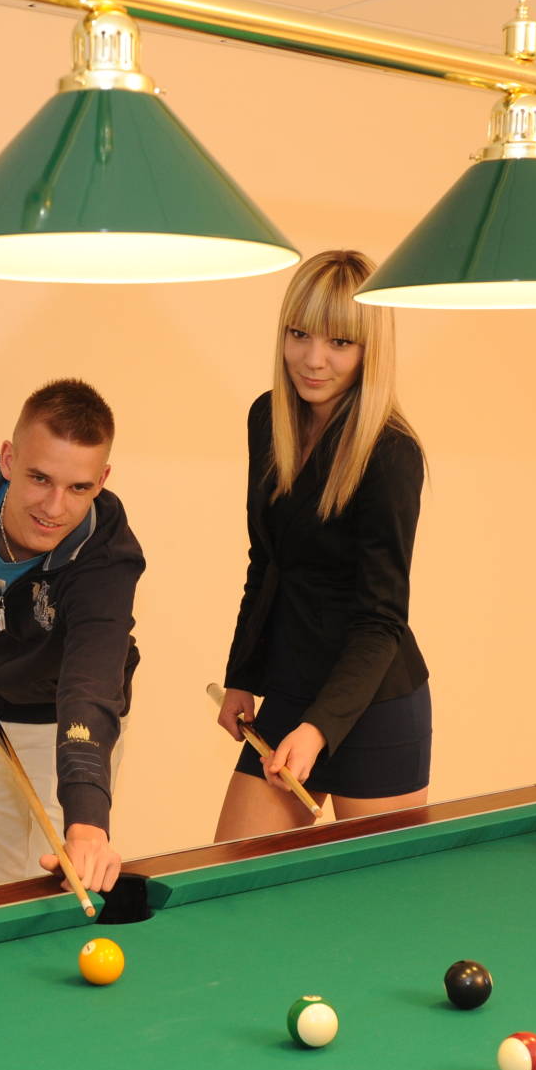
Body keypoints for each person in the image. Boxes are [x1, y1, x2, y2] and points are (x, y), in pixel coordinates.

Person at [215, 250, 430, 840]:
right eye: (299, 334)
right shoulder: (267, 419)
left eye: (339, 342)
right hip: (291, 686)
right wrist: (242, 675)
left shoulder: (392, 453)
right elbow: (267, 562)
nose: (313, 359)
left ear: (369, 350)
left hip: (375, 706)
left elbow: (382, 619)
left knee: (380, 893)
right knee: (236, 873)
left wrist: (319, 729)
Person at [0, 380, 143, 894]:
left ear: (102, 480)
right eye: (40, 478)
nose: (55, 507)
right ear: (8, 459)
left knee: (49, 892)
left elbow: (89, 688)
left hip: (67, 723)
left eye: (79, 488)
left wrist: (86, 821)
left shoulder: (108, 563)